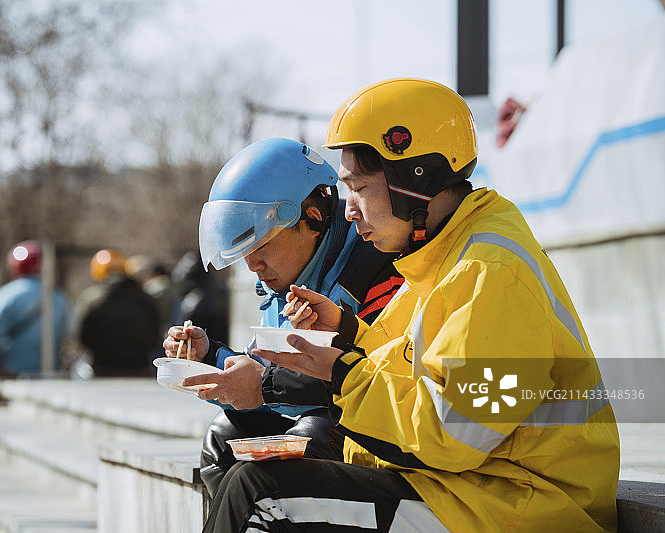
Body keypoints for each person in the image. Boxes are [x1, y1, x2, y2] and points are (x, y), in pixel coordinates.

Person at [194, 79, 620, 532]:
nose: (350, 210)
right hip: (473, 487)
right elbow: (413, 368)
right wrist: (347, 335)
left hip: (521, 505)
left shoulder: (489, 271)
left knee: (261, 492)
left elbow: (457, 431)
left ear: (414, 177)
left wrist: (334, 377)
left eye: (358, 188)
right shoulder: (444, 255)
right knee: (253, 477)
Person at [163, 138, 404, 498]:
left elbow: (373, 380)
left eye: (260, 245)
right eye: (244, 251)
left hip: (376, 435)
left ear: (313, 218)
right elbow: (265, 372)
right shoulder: (288, 279)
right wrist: (209, 358)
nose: (252, 265)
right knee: (223, 438)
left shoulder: (379, 267)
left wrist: (264, 386)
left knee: (307, 441)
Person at [0, 240, 71, 404]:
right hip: (51, 374)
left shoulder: (6, 295)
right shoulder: (58, 297)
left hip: (13, 373)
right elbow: (68, 333)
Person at [74, 249, 160, 377]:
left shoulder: (91, 298)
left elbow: (83, 337)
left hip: (102, 368)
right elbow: (157, 331)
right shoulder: (147, 298)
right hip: (141, 368)